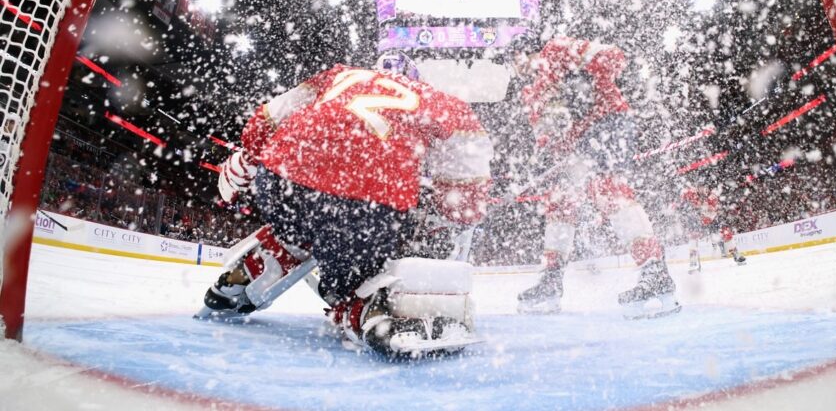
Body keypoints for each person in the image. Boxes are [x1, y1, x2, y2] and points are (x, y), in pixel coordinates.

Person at [198, 52, 494, 356]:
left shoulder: (336, 75)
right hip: (363, 198)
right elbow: (466, 192)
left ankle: (266, 260)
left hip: (280, 180)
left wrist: (248, 156)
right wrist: (452, 208)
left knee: (305, 223)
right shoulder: (442, 103)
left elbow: (265, 120)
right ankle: (364, 308)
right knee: (356, 267)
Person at [511, 35, 679, 319]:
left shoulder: (557, 50)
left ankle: (655, 271)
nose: (514, 69)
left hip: (609, 121)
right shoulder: (531, 94)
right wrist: (557, 146)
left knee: (608, 191)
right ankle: (551, 280)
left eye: (513, 60)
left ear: (525, 53)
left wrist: (582, 81)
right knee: (560, 202)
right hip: (577, 144)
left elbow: (615, 56)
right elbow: (547, 138)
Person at [678, 186, 746, 271]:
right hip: (696, 220)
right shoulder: (690, 192)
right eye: (701, 187)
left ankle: (736, 255)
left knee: (726, 233)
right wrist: (689, 209)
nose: (703, 190)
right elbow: (681, 202)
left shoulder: (712, 198)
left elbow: (712, 213)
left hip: (712, 220)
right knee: (693, 237)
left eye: (705, 188)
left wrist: (703, 210)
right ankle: (693, 261)